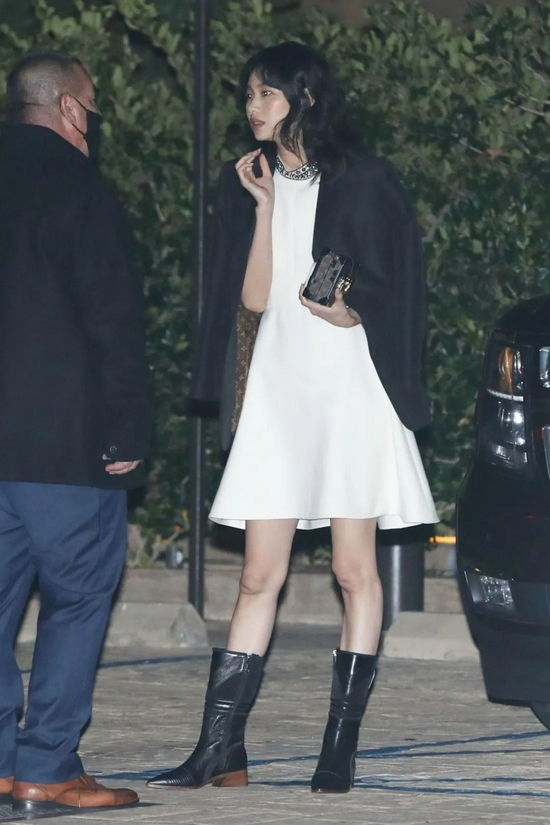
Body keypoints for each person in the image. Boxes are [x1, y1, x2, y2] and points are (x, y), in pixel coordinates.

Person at [148, 41, 438, 795]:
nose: (253, 106)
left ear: (303, 97)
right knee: (257, 573)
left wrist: (354, 311)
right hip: (279, 387)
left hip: (348, 387)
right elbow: (251, 299)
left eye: (266, 92)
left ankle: (338, 748)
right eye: (248, 93)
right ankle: (219, 749)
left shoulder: (364, 179)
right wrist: (265, 209)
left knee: (352, 568)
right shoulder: (248, 178)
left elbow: (399, 283)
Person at [0, 51, 151, 814]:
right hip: (64, 444)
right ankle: (46, 765)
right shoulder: (79, 187)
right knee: (80, 598)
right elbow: (111, 319)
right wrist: (128, 428)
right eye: (91, 110)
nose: (93, 124)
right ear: (67, 108)